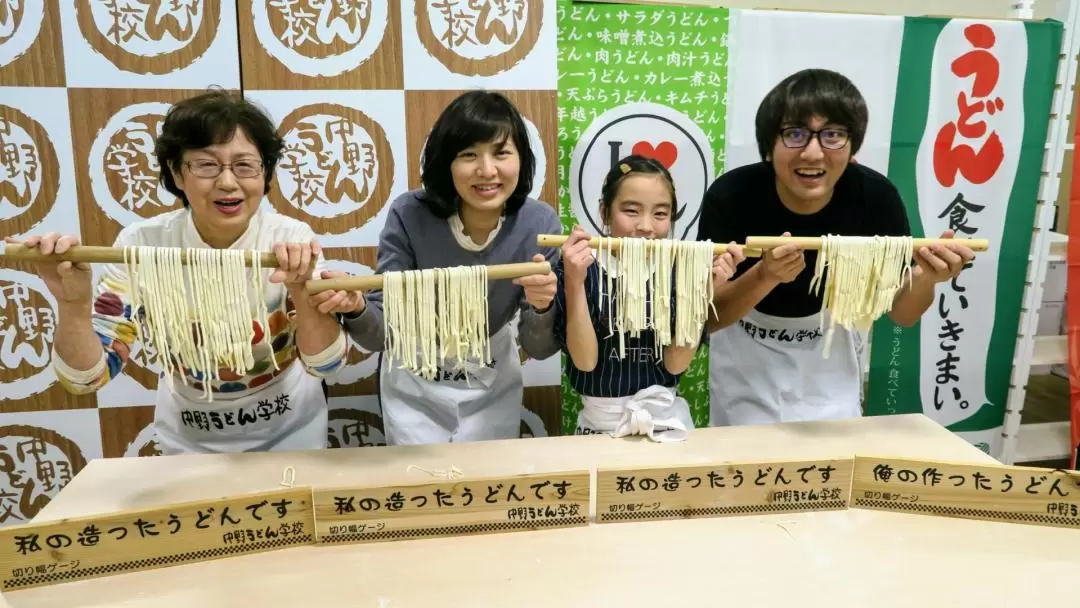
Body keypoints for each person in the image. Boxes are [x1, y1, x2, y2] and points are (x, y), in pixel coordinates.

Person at [7, 90, 355, 455]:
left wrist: (302, 292)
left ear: (265, 172)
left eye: (244, 165)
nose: (227, 182)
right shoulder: (143, 245)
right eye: (206, 165)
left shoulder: (288, 240)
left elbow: (327, 364)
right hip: (190, 442)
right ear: (176, 171)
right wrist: (72, 304)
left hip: (291, 435)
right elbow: (87, 378)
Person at [698, 68, 975, 426]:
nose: (813, 153)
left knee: (832, 468)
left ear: (852, 147)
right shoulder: (732, 196)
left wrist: (926, 279)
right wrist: (765, 275)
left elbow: (902, 314)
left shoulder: (875, 198)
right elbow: (709, 317)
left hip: (831, 361)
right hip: (746, 364)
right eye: (794, 133)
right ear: (769, 146)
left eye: (833, 135)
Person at [337, 90, 560, 445]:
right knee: (421, 486)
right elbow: (380, 335)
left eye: (501, 153)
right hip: (414, 378)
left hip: (491, 376)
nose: (487, 170)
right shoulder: (410, 214)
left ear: (522, 159)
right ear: (446, 162)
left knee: (489, 487)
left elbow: (541, 345)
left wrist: (542, 305)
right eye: (468, 154)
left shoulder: (538, 223)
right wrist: (358, 308)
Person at [556, 155, 741, 441]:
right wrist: (574, 281)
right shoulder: (579, 265)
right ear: (605, 212)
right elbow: (585, 361)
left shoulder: (683, 269)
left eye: (660, 214)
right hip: (599, 426)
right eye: (631, 211)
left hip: (665, 421)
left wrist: (705, 290)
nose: (646, 227)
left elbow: (676, 364)